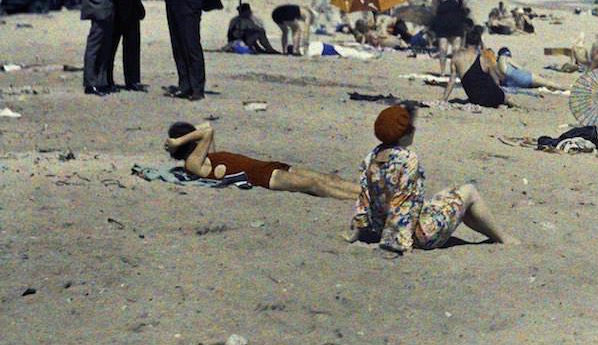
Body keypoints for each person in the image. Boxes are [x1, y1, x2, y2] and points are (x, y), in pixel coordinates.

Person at [347, 104, 517, 253]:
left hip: (380, 228)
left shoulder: (371, 157)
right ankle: (503, 238)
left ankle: (493, 235)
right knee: (470, 191)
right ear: (404, 134)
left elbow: (364, 200)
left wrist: (359, 231)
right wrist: (398, 242)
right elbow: (403, 202)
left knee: (450, 193)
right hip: (417, 234)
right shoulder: (407, 159)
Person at [164, 121, 359, 198]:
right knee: (314, 184)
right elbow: (208, 131)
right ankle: (359, 200)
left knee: (327, 178)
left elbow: (206, 126)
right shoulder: (193, 162)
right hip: (260, 176)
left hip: (266, 166)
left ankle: (367, 192)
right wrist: (177, 141)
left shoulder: (202, 153)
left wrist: (179, 140)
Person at [444, 26, 507, 107]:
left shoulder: (456, 58)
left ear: (466, 42)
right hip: (494, 97)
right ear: (478, 43)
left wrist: (444, 98)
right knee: (504, 97)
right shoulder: (484, 58)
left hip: (476, 99)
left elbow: (451, 81)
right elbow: (496, 81)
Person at [430, 0, 467, 75]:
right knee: (443, 49)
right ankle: (442, 71)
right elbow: (434, 11)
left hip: (456, 24)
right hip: (443, 25)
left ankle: (454, 71)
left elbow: (462, 6)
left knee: (455, 50)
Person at [496, 48, 570, 91]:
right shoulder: (505, 58)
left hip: (511, 83)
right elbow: (520, 68)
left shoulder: (497, 64)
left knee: (540, 85)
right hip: (521, 77)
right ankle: (566, 88)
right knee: (549, 83)